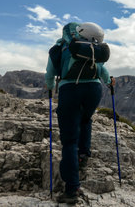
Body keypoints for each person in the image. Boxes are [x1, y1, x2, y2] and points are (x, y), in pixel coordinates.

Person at [45, 22, 115, 204]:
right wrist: (109, 82)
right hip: (94, 89)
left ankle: (71, 190)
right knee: (86, 118)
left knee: (69, 141)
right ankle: (84, 155)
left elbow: (50, 73)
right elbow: (102, 70)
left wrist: (51, 88)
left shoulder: (59, 48)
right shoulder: (91, 48)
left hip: (70, 90)